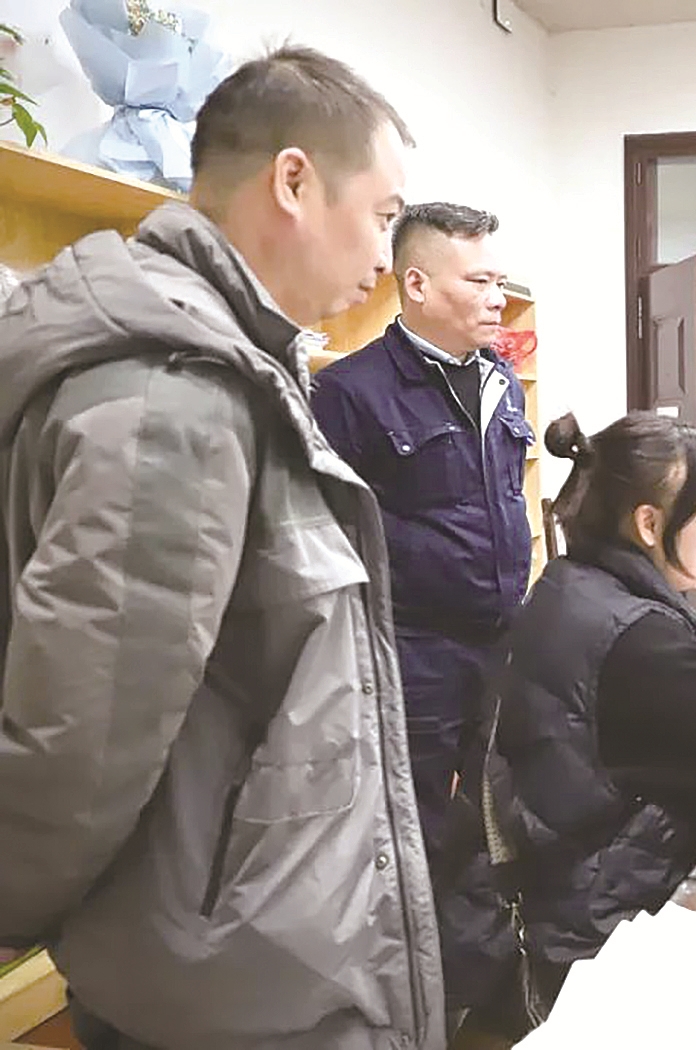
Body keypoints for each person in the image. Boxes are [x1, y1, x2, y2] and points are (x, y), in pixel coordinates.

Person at [0, 47, 443, 1050]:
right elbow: (82, 739)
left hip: (244, 942)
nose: (385, 259)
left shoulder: (233, 366)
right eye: (381, 216)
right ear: (293, 182)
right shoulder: (177, 396)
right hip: (227, 975)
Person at [487, 411, 696, 1009]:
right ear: (650, 524)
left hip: (571, 904)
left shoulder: (570, 583)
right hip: (611, 937)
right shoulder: (638, 639)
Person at [311, 202, 533, 850]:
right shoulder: (350, 392)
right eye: (478, 282)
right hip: (412, 653)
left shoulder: (501, 381)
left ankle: (485, 913)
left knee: (497, 812)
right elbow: (329, 531)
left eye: (500, 282)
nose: (498, 299)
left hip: (500, 639)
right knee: (411, 823)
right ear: (416, 284)